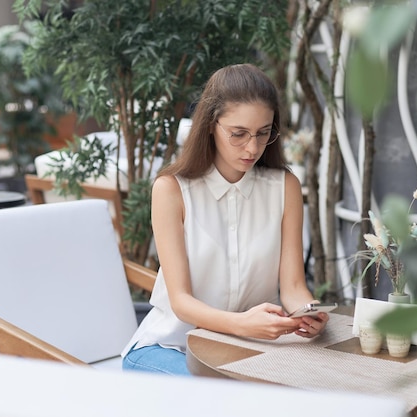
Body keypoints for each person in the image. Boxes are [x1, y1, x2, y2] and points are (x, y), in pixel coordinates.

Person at [121, 63, 329, 376]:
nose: (252, 148)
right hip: (172, 346)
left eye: (263, 133)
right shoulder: (171, 190)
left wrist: (306, 313)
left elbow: (294, 286)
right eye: (238, 134)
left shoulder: (285, 188)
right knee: (223, 398)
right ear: (209, 125)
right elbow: (181, 301)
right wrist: (243, 324)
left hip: (248, 351)